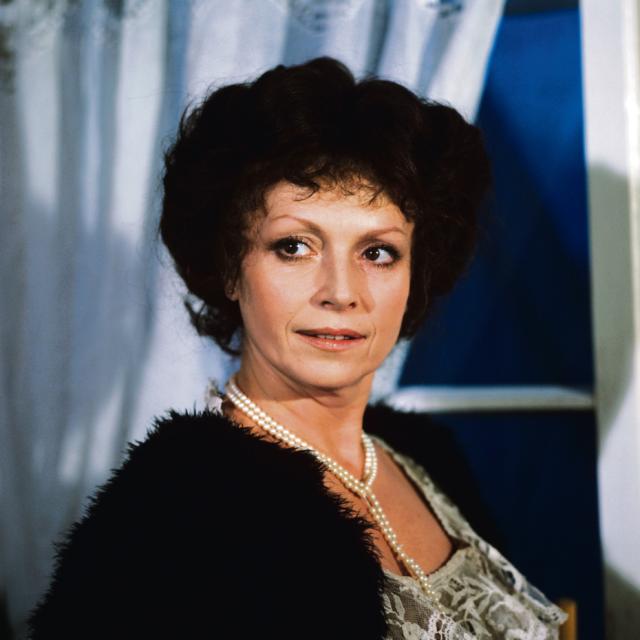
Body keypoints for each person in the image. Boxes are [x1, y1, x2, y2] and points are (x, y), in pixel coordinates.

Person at [27, 57, 567, 639]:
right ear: (230, 268)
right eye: (294, 246)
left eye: (377, 252)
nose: (341, 292)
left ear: (416, 275)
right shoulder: (171, 515)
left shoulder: (429, 458)